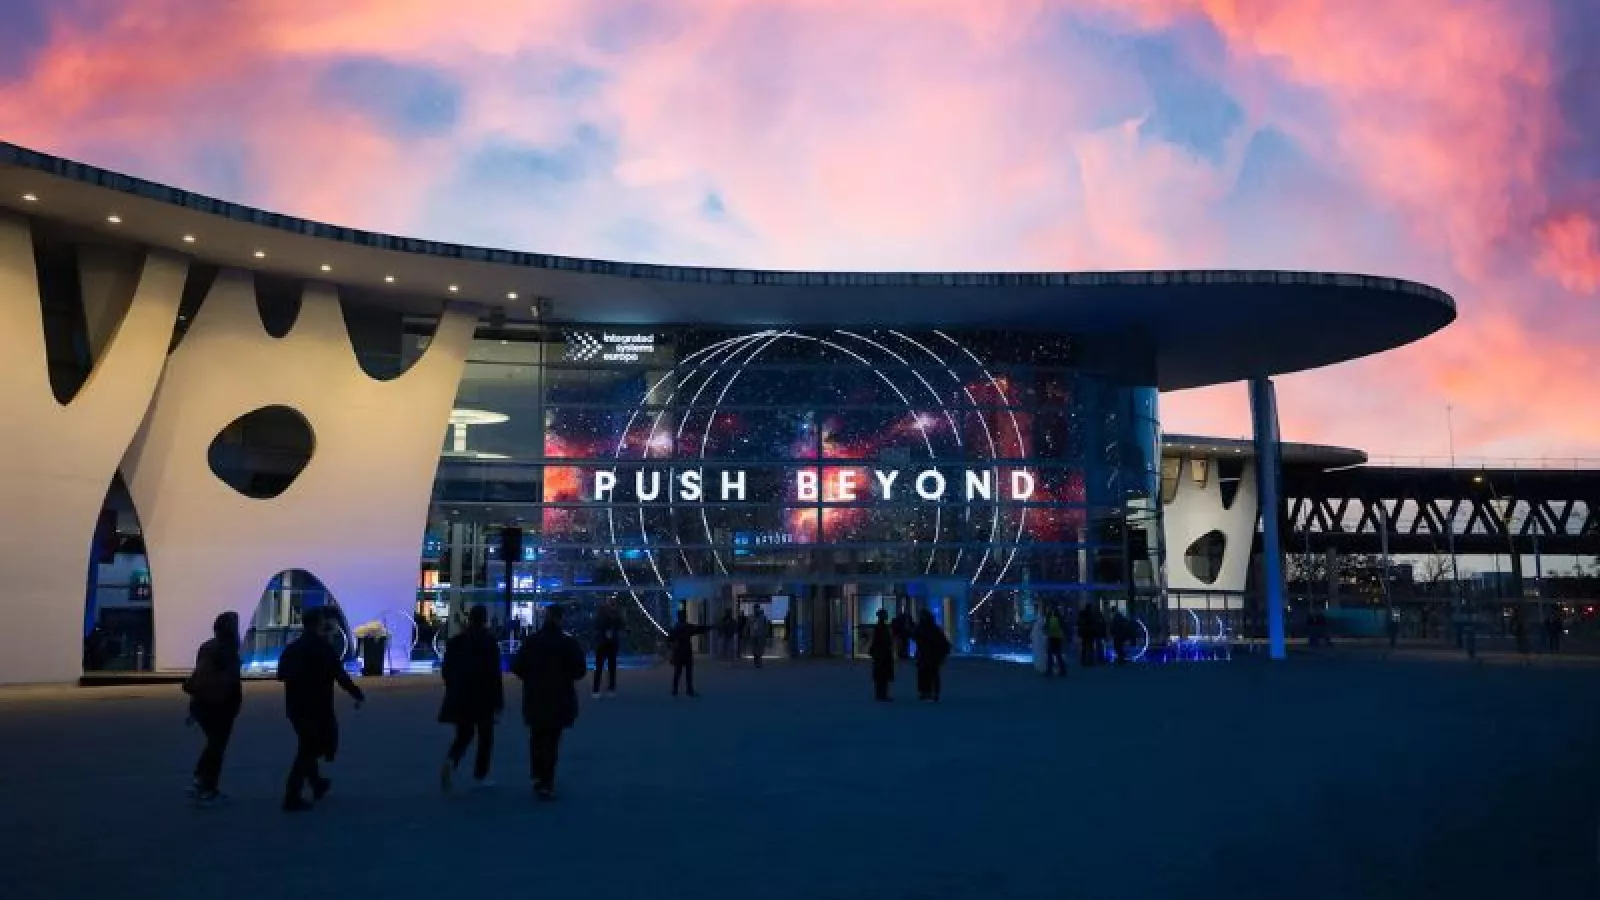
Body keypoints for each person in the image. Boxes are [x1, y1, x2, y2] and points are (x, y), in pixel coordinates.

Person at [277, 607, 365, 812]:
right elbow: (339, 674)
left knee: (307, 743)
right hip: (317, 705)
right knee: (310, 749)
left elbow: (281, 674)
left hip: (295, 705)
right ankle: (292, 794)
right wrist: (356, 693)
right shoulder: (323, 647)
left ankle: (317, 783)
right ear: (319, 623)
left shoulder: (293, 648)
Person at [509, 603, 587, 801]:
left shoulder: (532, 641)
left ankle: (537, 774)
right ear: (561, 618)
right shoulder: (568, 643)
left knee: (536, 736)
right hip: (559, 697)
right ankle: (547, 781)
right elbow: (579, 670)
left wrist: (531, 677)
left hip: (535, 695)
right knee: (552, 740)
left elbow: (517, 666)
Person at [438, 604, 503, 792]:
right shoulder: (489, 642)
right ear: (484, 619)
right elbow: (494, 674)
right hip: (483, 696)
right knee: (485, 737)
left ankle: (452, 760)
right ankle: (481, 774)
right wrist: (498, 702)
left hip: (461, 695)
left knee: (464, 735)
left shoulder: (455, 642)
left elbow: (446, 670)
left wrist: (453, 687)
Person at [182, 611, 243, 806]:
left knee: (213, 744)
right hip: (220, 705)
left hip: (202, 703)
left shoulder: (207, 646)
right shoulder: (228, 651)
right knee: (217, 747)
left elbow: (201, 676)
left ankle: (200, 780)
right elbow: (230, 681)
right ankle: (208, 788)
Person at [667, 610, 713, 697]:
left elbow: (670, 640)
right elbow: (698, 629)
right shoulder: (687, 627)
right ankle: (688, 690)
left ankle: (676, 690)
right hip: (685, 652)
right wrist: (708, 628)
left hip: (679, 652)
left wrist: (671, 649)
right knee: (686, 672)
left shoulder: (676, 628)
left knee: (678, 672)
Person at [913, 610, 951, 702]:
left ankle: (927, 692)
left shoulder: (924, 629)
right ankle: (930, 692)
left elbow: (915, 637)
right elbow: (944, 643)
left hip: (927, 655)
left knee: (926, 674)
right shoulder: (933, 629)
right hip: (930, 656)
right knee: (930, 674)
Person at [591, 597, 625, 698]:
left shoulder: (616, 614)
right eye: (610, 603)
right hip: (603, 643)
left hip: (610, 643)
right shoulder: (601, 614)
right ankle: (597, 689)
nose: (611, 604)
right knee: (600, 667)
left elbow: (621, 625)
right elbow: (597, 625)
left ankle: (609, 688)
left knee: (611, 667)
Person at [868, 608, 895, 701]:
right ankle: (882, 694)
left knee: (881, 675)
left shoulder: (880, 627)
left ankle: (881, 693)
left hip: (881, 654)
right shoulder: (881, 627)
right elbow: (880, 641)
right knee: (882, 675)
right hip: (882, 654)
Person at [1043, 607, 1068, 676]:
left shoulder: (1050, 616)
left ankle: (1051, 670)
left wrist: (1046, 630)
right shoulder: (1058, 616)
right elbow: (1063, 626)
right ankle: (1061, 670)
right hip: (1056, 637)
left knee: (1053, 654)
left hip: (1054, 637)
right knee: (1056, 654)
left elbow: (1047, 626)